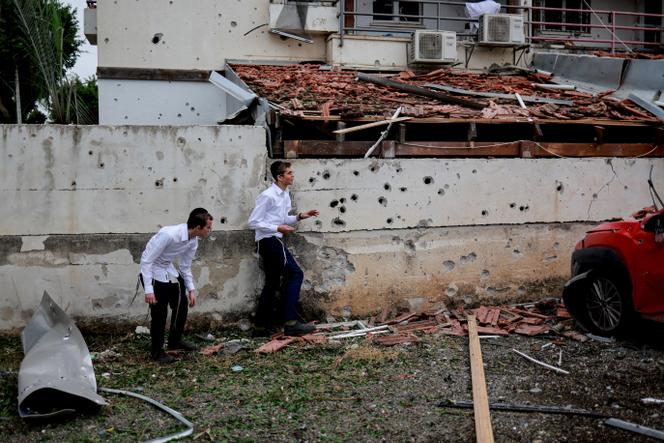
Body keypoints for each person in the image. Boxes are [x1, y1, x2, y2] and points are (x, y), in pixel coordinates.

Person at [248, 161, 319, 336]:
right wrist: (277, 228)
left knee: (272, 283)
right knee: (296, 274)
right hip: (269, 240)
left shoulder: (284, 194)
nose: (292, 175)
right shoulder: (268, 195)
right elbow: (253, 222)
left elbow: (284, 219)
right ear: (279, 177)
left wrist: (301, 216)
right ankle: (291, 323)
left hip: (273, 240)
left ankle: (259, 327)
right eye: (289, 173)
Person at [140, 208, 213, 363]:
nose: (210, 230)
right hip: (153, 271)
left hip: (168, 269)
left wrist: (191, 289)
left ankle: (175, 341)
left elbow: (185, 266)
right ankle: (156, 352)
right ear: (198, 227)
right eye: (208, 227)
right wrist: (148, 289)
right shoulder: (169, 235)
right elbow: (147, 261)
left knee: (182, 304)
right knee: (159, 313)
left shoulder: (193, 241)